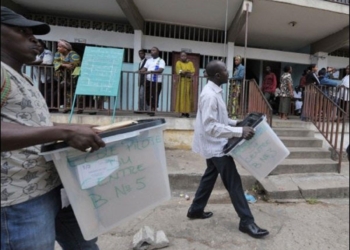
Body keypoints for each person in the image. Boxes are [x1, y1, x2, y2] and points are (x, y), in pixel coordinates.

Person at [1, 6, 105, 249]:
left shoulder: (20, 76)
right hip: (19, 203)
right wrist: (64, 132)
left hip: (51, 189)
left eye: (33, 34)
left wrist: (73, 128)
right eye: (21, 31)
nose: (34, 39)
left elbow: (31, 126)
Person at [187, 60, 269, 239]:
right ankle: (246, 222)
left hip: (213, 144)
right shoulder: (210, 95)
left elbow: (220, 119)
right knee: (234, 182)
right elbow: (211, 127)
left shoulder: (214, 91)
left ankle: (195, 209)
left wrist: (237, 123)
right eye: (225, 70)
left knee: (210, 175)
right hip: (215, 145)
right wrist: (239, 131)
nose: (228, 72)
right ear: (217, 75)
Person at [53, 39, 81, 113]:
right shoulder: (57, 54)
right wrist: (64, 64)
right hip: (65, 76)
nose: (57, 48)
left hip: (75, 75)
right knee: (67, 91)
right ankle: (68, 107)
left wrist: (62, 64)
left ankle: (79, 107)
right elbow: (55, 62)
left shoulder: (73, 54)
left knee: (78, 91)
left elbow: (73, 65)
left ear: (65, 48)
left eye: (59, 47)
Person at [28, 39, 55, 109]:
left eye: (39, 46)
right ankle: (45, 107)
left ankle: (50, 107)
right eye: (36, 46)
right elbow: (29, 61)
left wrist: (36, 62)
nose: (37, 48)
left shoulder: (47, 52)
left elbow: (46, 63)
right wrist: (38, 61)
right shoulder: (35, 53)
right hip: (39, 78)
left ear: (43, 46)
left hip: (49, 78)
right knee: (41, 93)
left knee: (48, 94)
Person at [140, 47, 165, 116]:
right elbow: (144, 68)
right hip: (148, 80)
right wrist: (140, 71)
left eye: (154, 50)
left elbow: (160, 70)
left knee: (155, 96)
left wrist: (150, 72)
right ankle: (151, 108)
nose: (152, 52)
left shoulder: (161, 61)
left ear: (158, 52)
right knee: (147, 95)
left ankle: (153, 110)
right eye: (151, 50)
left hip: (157, 81)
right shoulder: (149, 60)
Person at [175, 51, 195, 118]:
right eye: (182, 56)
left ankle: (187, 112)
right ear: (180, 57)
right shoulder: (178, 63)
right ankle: (181, 112)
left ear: (187, 56)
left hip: (188, 82)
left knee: (188, 97)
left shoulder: (190, 63)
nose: (183, 57)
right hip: (181, 82)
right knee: (181, 97)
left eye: (184, 56)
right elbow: (179, 72)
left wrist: (186, 72)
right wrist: (186, 72)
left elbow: (192, 72)